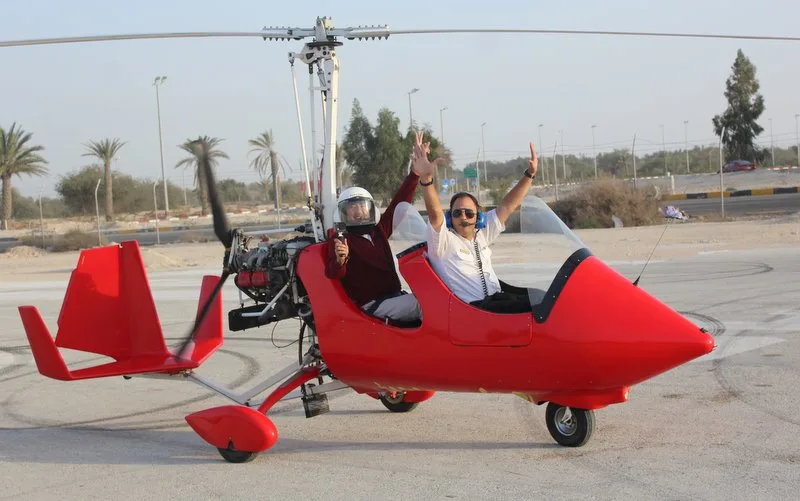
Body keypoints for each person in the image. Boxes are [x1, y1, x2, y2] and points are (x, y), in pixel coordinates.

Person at [412, 131, 541, 313]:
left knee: (545, 298)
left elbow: (508, 205)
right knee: (537, 306)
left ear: (478, 217)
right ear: (449, 217)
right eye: (457, 213)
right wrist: (426, 178)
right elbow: (434, 214)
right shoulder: (442, 242)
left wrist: (529, 175)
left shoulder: (482, 233)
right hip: (475, 311)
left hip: (498, 299)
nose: (463, 217)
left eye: (469, 213)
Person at [324, 168, 423, 324]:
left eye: (362, 206)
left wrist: (415, 174)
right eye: (352, 207)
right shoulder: (341, 238)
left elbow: (399, 205)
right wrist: (340, 260)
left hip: (395, 297)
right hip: (373, 304)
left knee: (433, 298)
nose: (358, 211)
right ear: (343, 212)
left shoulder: (378, 231)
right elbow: (332, 272)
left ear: (370, 208)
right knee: (424, 305)